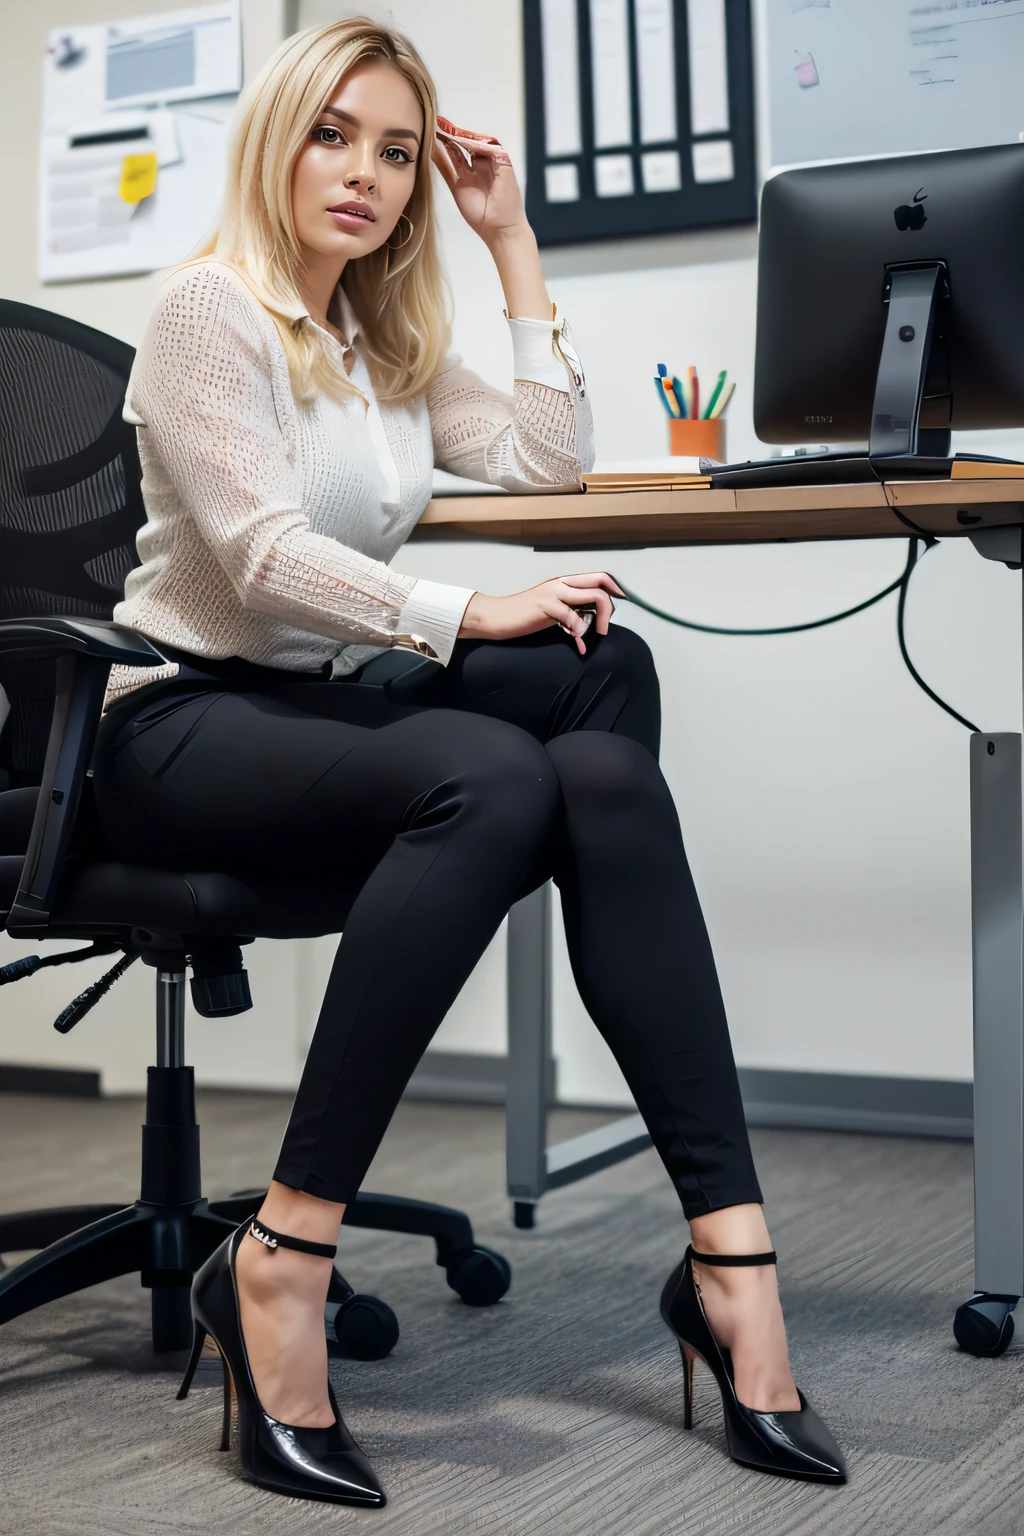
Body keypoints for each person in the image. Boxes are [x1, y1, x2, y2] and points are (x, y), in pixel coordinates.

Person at [90, 16, 845, 1507]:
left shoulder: (383, 345)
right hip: (175, 723)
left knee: (599, 682)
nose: (363, 175)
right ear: (276, 140)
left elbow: (550, 463)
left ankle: (729, 1254)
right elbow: (254, 555)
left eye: (392, 152)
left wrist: (512, 251)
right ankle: (285, 1259)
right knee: (504, 777)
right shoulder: (206, 312)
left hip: (313, 713)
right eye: (333, 136)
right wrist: (458, 610)